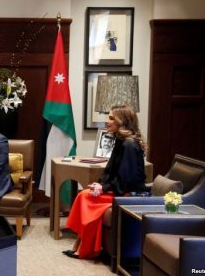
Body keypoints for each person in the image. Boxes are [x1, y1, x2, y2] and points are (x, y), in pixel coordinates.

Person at [63, 104, 147, 259]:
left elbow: (126, 179)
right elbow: (110, 171)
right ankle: (80, 247)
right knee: (85, 195)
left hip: (128, 194)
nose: (107, 121)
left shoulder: (129, 145)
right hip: (118, 189)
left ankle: (83, 248)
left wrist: (104, 188)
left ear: (122, 121)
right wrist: (100, 185)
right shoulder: (121, 141)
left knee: (85, 197)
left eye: (111, 118)